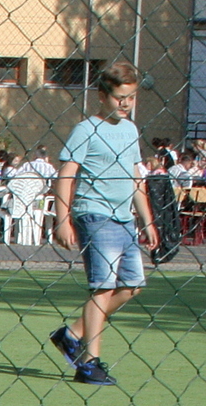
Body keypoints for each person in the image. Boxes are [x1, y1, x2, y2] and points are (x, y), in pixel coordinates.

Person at [48, 60, 159, 388]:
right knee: (103, 287)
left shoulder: (130, 130)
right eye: (119, 98)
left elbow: (135, 177)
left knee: (133, 285)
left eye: (131, 97)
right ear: (102, 96)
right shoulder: (86, 129)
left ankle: (72, 334)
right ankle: (88, 362)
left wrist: (147, 220)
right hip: (94, 215)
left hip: (124, 218)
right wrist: (62, 220)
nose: (125, 104)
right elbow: (65, 176)